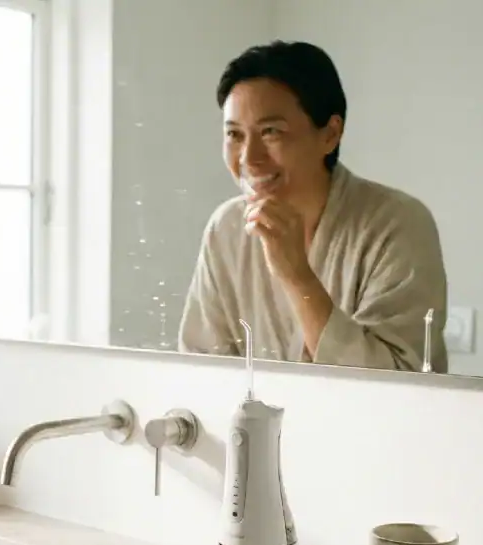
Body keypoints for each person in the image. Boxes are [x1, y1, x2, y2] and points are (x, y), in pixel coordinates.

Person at [178, 41, 448, 372]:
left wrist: (297, 276)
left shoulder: (399, 224)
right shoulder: (227, 227)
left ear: (330, 134)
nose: (249, 158)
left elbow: (397, 383)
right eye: (234, 135)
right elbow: (200, 369)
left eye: (271, 132)